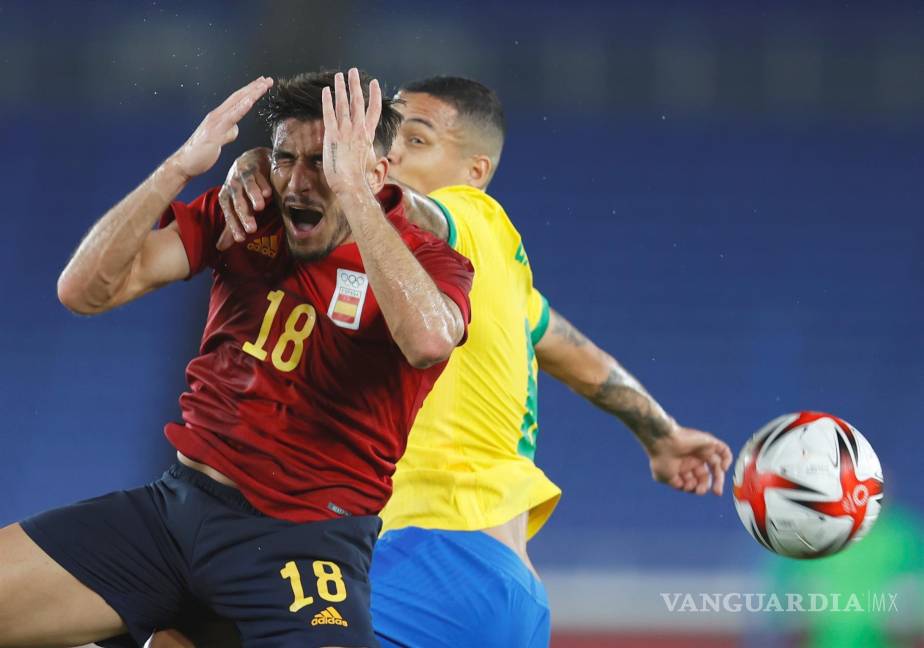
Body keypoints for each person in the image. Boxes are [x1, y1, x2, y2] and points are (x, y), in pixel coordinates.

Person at [208, 76, 733, 648]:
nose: (389, 151)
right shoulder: (495, 280)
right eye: (388, 135)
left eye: (415, 139)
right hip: (500, 591)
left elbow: (408, 207)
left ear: (475, 172)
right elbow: (570, 349)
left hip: (432, 558)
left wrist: (298, 168)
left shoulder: (469, 216)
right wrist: (661, 433)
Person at [0, 68, 474, 648]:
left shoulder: (430, 263)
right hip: (175, 514)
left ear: (371, 172)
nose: (298, 183)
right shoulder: (248, 213)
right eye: (285, 159)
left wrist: (351, 190)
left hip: (302, 545)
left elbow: (428, 342)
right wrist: (179, 168)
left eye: (322, 162)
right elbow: (84, 291)